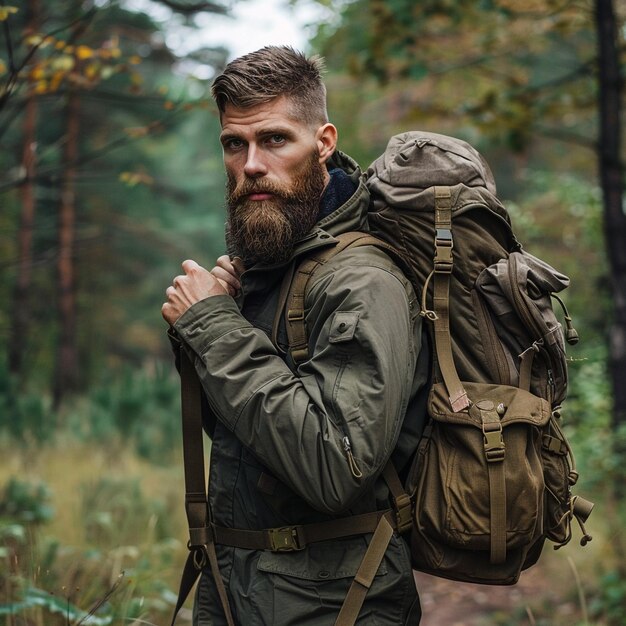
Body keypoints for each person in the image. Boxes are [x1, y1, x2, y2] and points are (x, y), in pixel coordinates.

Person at [162, 46, 429, 626]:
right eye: (235, 144)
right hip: (245, 592)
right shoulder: (278, 264)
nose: (251, 163)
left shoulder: (363, 281)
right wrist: (217, 325)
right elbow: (244, 440)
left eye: (275, 139)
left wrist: (214, 328)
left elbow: (335, 469)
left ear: (324, 142)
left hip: (337, 606)